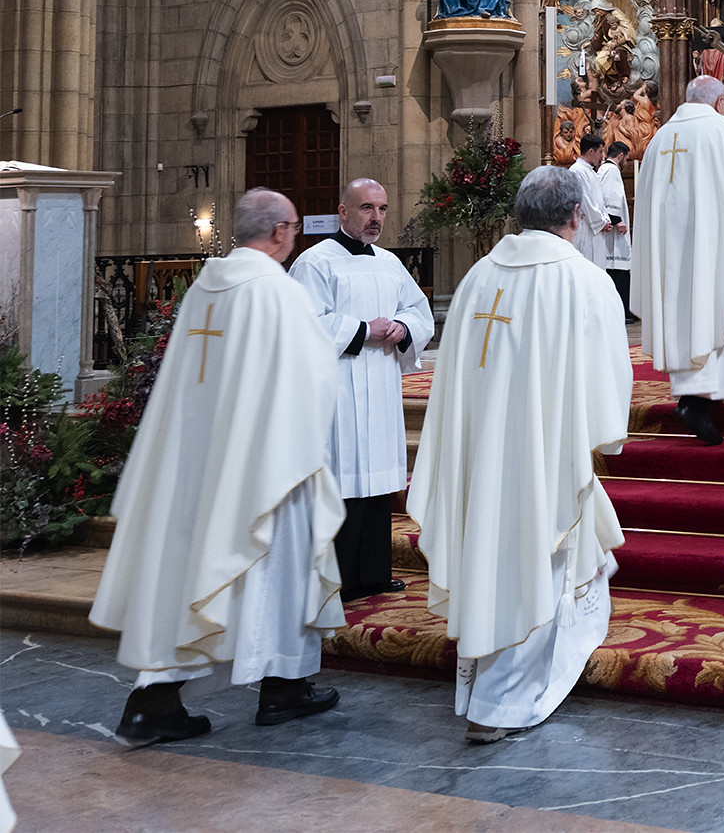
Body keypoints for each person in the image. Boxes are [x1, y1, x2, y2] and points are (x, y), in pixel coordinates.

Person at [92, 189, 345, 746]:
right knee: (276, 567)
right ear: (280, 231)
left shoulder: (204, 290)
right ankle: (284, 687)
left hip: (193, 464)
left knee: (186, 570)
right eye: (294, 227)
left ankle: (153, 700)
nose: (295, 235)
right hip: (266, 463)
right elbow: (316, 376)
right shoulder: (278, 293)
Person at [406, 166, 632, 743]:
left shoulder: (481, 275)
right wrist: (596, 439)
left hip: (479, 452)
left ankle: (482, 682)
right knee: (540, 557)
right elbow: (608, 385)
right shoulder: (582, 280)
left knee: (495, 554)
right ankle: (497, 704)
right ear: (575, 217)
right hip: (543, 456)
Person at [290, 178, 436, 602]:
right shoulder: (315, 262)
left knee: (377, 483)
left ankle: (373, 573)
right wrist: (362, 329)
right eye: (367, 208)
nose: (376, 218)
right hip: (339, 387)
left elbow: (418, 311)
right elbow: (304, 323)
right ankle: (340, 578)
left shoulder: (389, 262)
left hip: (381, 381)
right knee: (345, 480)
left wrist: (402, 327)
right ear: (343, 211)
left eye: (383, 209)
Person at [632, 74, 724, 444]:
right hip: (715, 247)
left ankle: (695, 395)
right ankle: (698, 402)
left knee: (682, 315)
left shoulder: (660, 139)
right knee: (714, 305)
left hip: (671, 253)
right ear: (720, 102)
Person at [568, 133, 622, 272]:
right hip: (584, 229)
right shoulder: (577, 171)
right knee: (585, 271)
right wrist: (601, 222)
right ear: (591, 151)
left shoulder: (590, 171)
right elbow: (585, 201)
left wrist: (606, 219)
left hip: (595, 229)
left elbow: (599, 200)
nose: (602, 156)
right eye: (600, 152)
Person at [598, 139, 635, 321]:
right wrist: (617, 220)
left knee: (615, 269)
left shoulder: (602, 168)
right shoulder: (612, 170)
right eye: (626, 159)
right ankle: (623, 310)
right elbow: (610, 196)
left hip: (608, 229)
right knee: (618, 269)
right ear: (620, 156)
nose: (626, 163)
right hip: (614, 232)